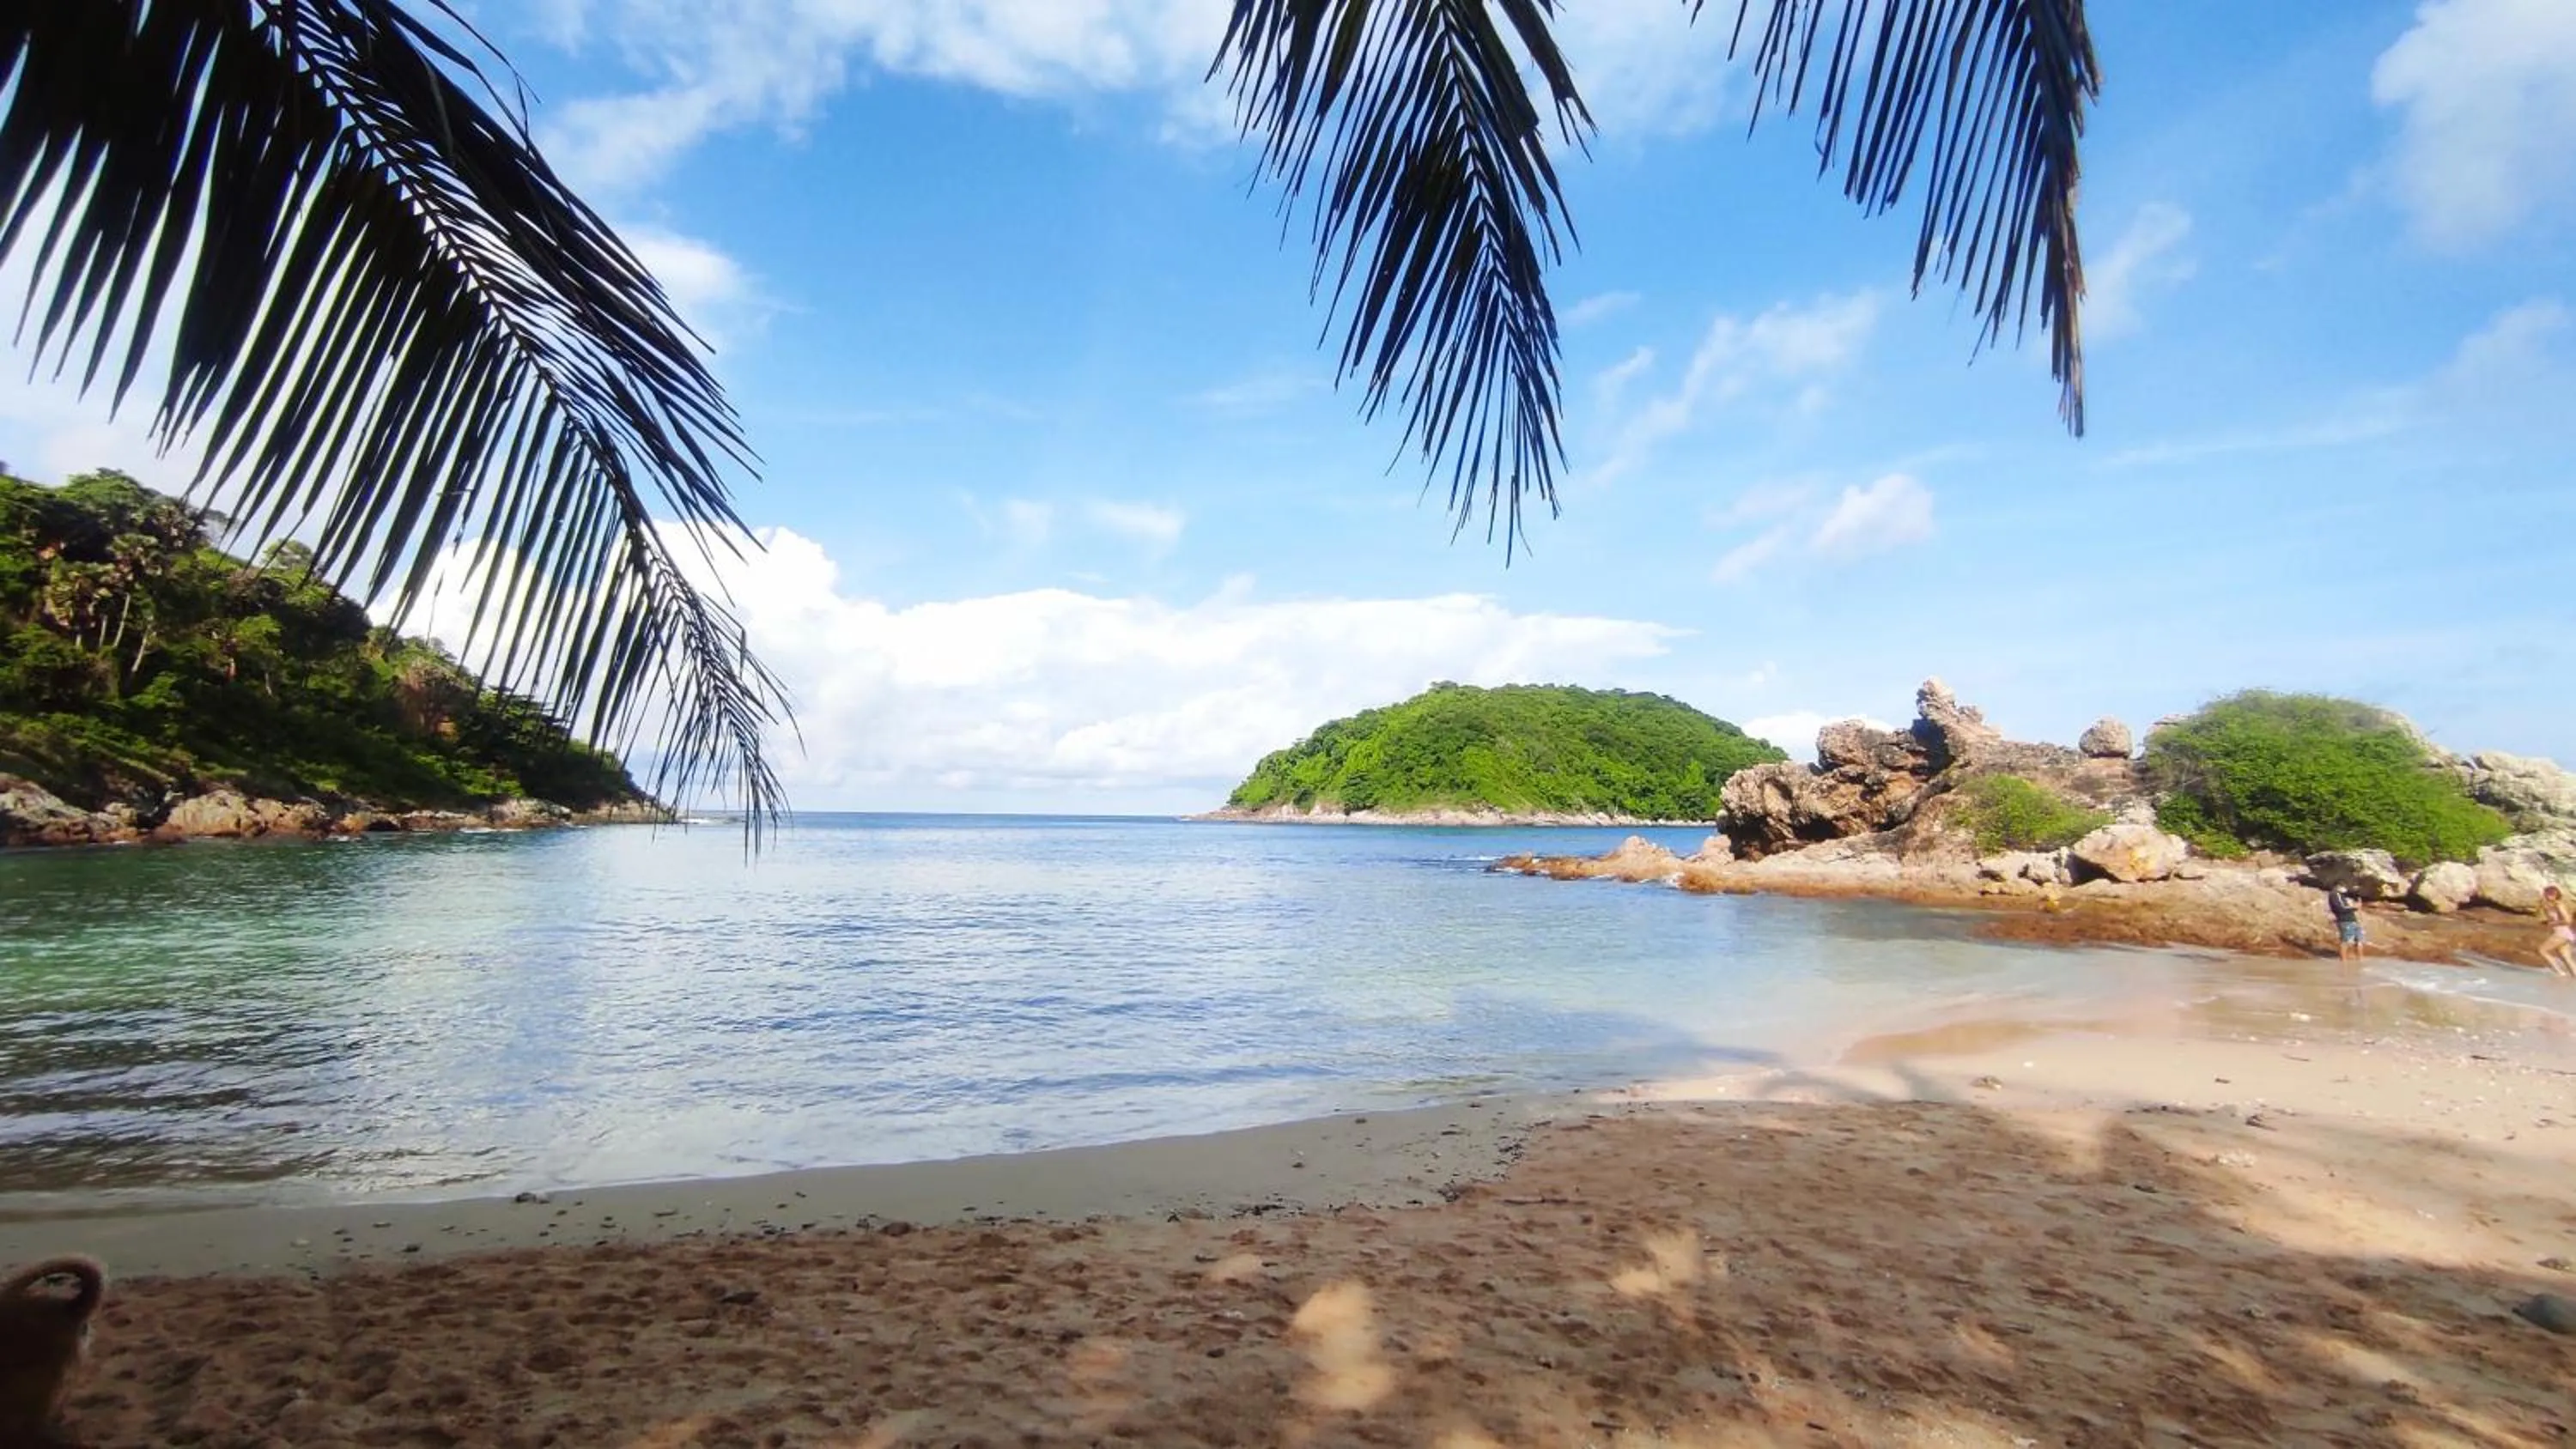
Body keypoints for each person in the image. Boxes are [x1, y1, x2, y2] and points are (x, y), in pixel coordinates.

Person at [2543, 885, 2576, 978]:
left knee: (2542, 951)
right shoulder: (2551, 905)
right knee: (2566, 957)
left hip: (2562, 933)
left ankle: (2560, 973)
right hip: (2564, 933)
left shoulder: (2559, 904)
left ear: (2554, 895)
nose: (2545, 896)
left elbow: (2568, 920)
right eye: (2546, 894)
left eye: (2548, 894)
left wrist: (2552, 923)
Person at [2325, 883, 2364, 963]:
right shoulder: (2334, 894)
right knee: (2345, 941)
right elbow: (2340, 908)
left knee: (2359, 941)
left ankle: (2360, 961)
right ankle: (2343, 962)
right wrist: (2354, 907)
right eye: (2345, 887)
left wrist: (2357, 892)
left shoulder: (2341, 895)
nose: (2346, 889)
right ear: (2339, 886)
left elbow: (2352, 895)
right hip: (2345, 920)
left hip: (2353, 920)